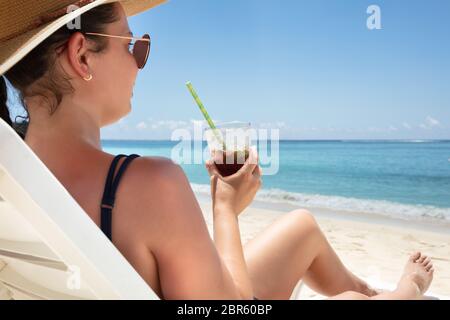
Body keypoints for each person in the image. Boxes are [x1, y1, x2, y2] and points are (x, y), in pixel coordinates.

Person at [0, 0, 433, 300]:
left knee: (301, 225)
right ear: (82, 55)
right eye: (133, 44)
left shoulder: (11, 180)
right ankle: (405, 291)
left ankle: (373, 290)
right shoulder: (147, 185)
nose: (138, 61)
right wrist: (225, 209)